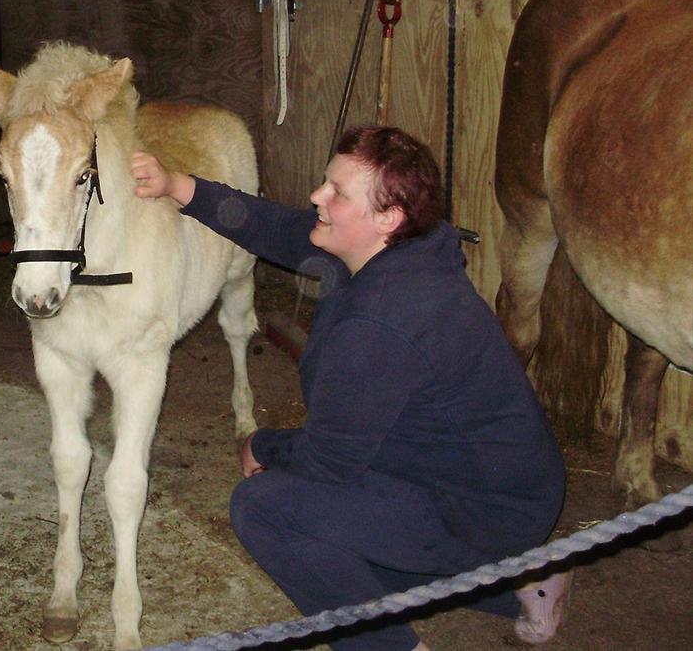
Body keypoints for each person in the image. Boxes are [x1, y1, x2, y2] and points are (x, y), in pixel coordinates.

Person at [130, 125, 571, 651]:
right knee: (343, 545)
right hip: (478, 475)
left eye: (337, 192)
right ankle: (522, 585)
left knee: (268, 508)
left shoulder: (382, 320)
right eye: (325, 183)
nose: (318, 196)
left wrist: (261, 444)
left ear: (388, 216)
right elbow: (277, 228)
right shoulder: (395, 251)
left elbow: (329, 459)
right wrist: (177, 185)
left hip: (485, 508)